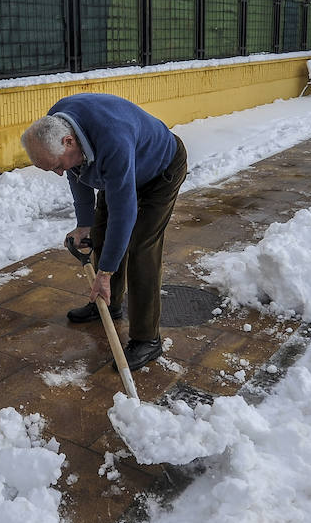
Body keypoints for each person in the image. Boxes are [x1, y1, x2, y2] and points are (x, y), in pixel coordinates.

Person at [20, 93, 187, 370]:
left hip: (160, 170)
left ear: (68, 141)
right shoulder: (57, 122)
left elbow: (125, 214)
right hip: (119, 170)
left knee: (140, 247)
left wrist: (105, 272)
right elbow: (77, 173)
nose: (61, 174)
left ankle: (147, 339)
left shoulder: (113, 140)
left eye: (58, 166)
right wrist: (84, 223)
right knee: (100, 232)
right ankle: (109, 305)